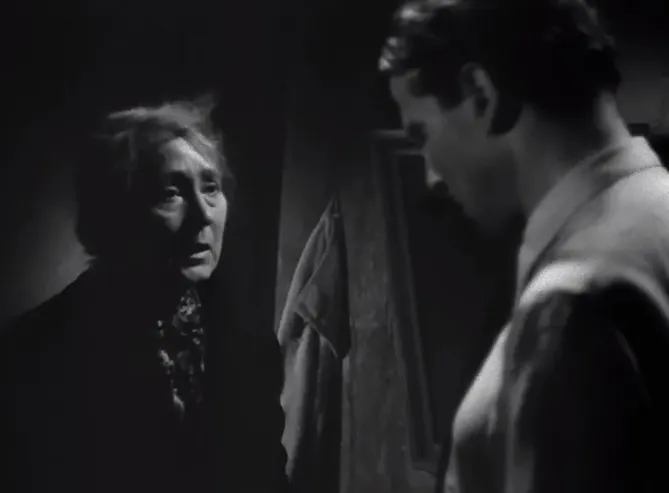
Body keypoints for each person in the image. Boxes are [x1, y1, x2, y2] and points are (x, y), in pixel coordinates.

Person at [380, 1, 669, 492]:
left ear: (481, 94)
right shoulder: (655, 212)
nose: (431, 176)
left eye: (421, 134)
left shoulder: (570, 305)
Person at [1, 99, 289, 493]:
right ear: (114, 215)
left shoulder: (249, 345)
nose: (204, 215)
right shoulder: (37, 353)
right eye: (170, 193)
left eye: (211, 188)